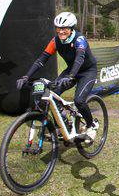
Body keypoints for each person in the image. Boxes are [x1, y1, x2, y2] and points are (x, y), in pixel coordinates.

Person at [16, 11, 99, 140]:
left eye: (64, 28)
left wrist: (71, 76)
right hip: (71, 70)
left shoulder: (79, 39)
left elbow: (80, 58)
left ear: (71, 28)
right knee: (52, 95)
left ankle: (91, 125)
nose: (60, 31)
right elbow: (42, 59)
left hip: (87, 71)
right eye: (58, 28)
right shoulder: (55, 41)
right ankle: (63, 125)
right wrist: (26, 76)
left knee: (79, 101)